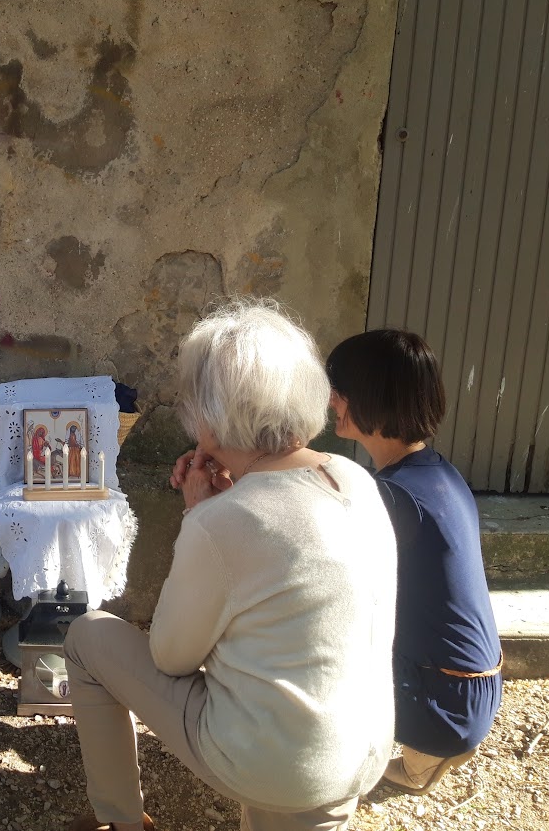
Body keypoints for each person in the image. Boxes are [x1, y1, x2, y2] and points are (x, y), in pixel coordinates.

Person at [62, 298, 397, 831]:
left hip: (275, 764)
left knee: (86, 637)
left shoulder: (224, 519)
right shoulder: (354, 479)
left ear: (209, 420)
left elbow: (171, 657)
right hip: (360, 751)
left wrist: (200, 513)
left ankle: (119, 821)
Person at [326, 330, 502, 795]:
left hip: (443, 706)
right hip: (474, 691)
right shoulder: (439, 473)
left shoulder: (392, 496)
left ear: (370, 397)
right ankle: (427, 751)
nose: (330, 400)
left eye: (339, 389)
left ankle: (391, 751)